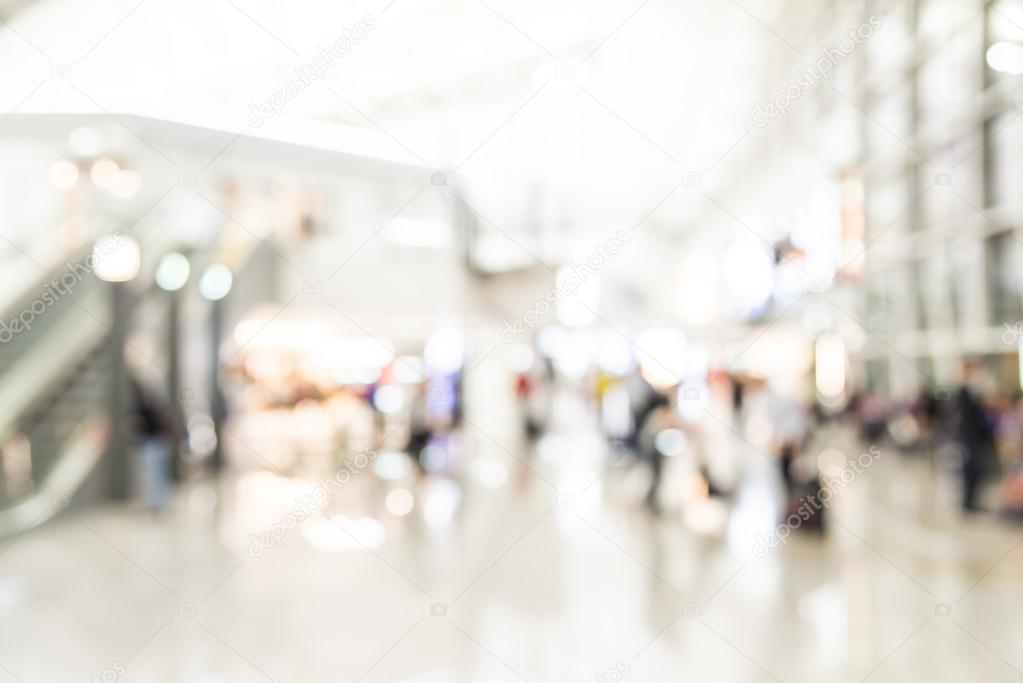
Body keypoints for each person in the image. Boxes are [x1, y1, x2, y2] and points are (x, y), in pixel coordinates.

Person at [129, 376, 177, 513]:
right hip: (153, 442)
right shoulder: (150, 406)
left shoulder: (149, 407)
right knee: (155, 474)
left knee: (154, 474)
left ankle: (157, 502)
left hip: (153, 443)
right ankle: (155, 502)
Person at [954, 359, 995, 513]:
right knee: (971, 469)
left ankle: (971, 502)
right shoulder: (963, 393)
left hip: (975, 438)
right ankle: (968, 503)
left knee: (976, 470)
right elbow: (967, 420)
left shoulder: (972, 393)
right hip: (969, 439)